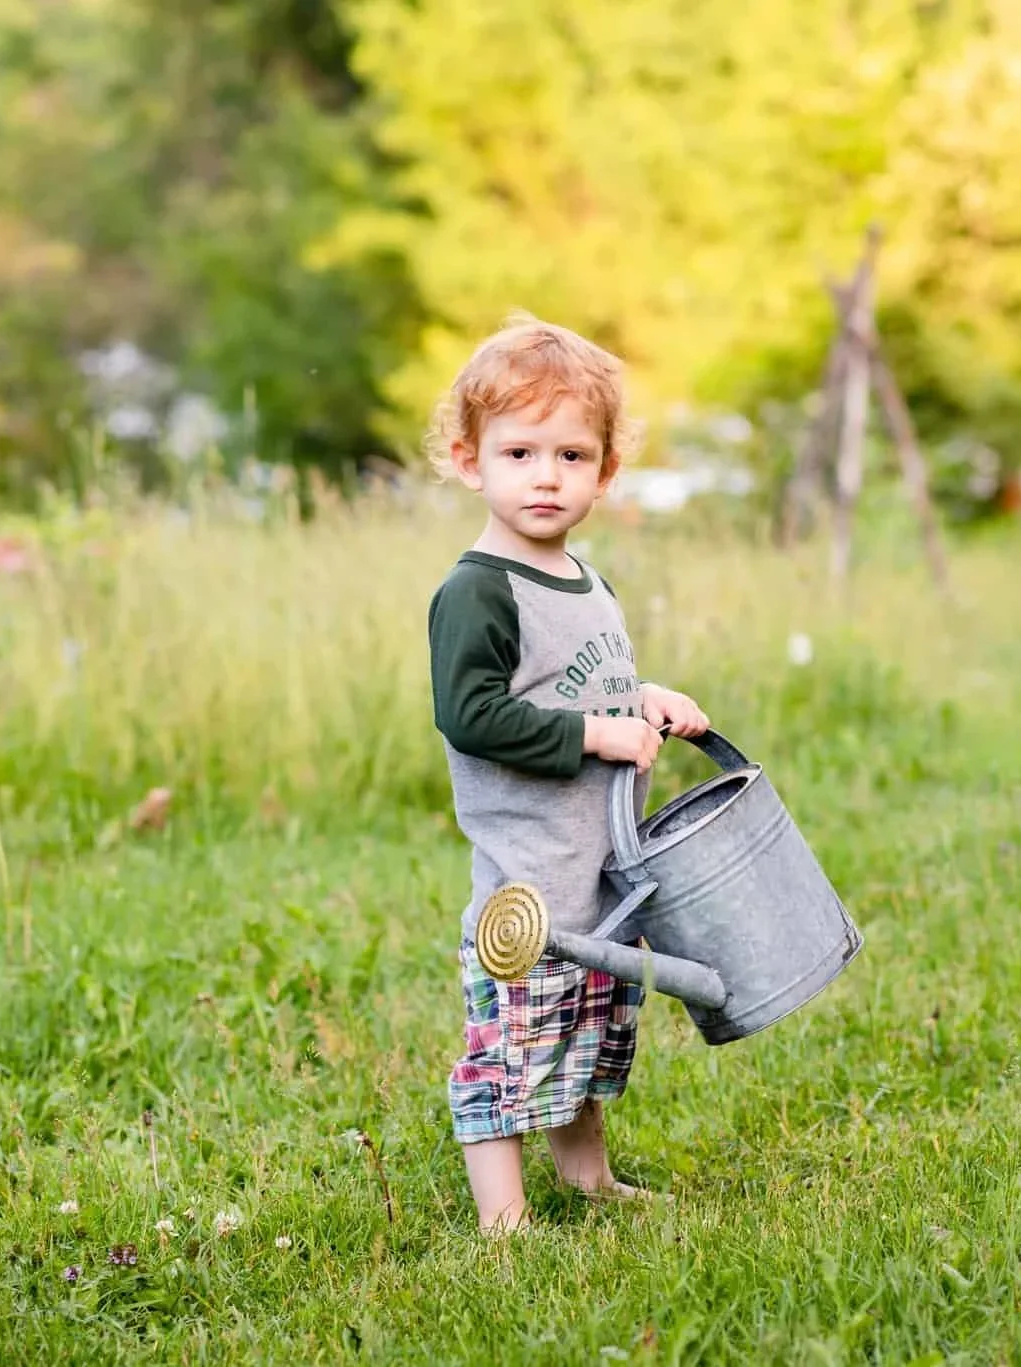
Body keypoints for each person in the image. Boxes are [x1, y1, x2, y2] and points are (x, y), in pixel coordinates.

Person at [425, 315, 709, 1232]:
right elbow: (472, 716)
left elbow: (595, 684)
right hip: (527, 892)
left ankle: (587, 1179)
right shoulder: (479, 590)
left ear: (605, 471)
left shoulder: (585, 578)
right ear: (471, 462)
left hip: (594, 878)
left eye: (571, 455)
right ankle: (501, 1219)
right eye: (519, 451)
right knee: (507, 1056)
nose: (545, 475)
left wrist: (648, 698)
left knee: (582, 1040)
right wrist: (595, 735)